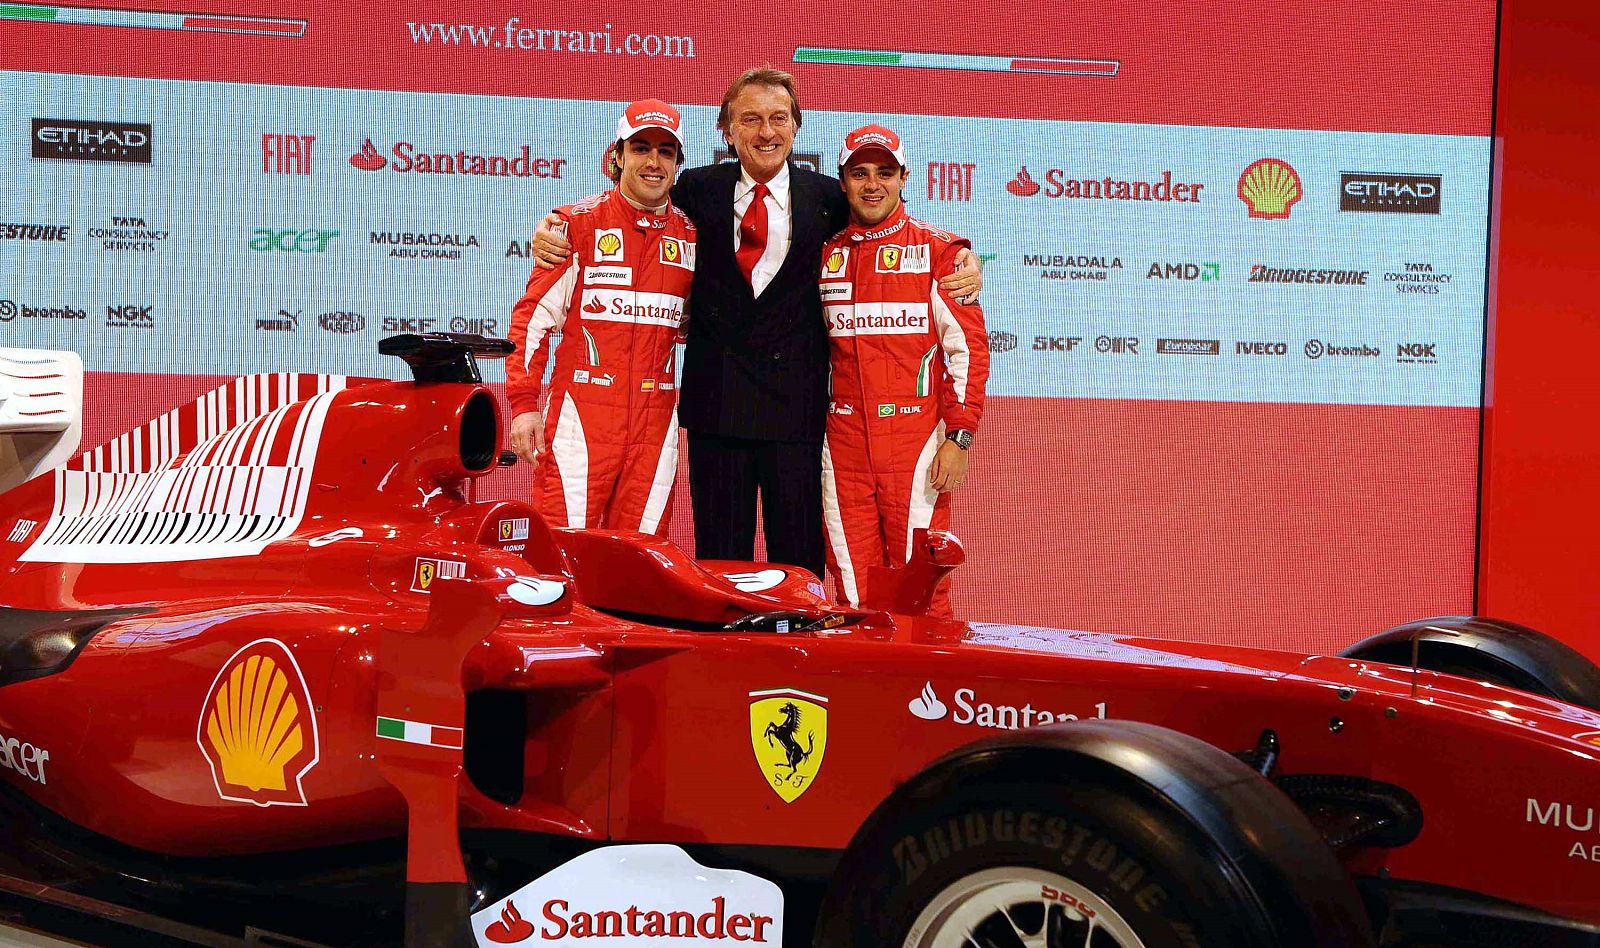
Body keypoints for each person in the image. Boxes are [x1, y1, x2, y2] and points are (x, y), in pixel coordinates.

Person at [530, 68, 982, 579]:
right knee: (721, 568)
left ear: (795, 128)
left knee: (800, 568)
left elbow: (888, 226)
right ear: (728, 130)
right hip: (716, 412)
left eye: (777, 118)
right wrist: (553, 224)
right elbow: (633, 202)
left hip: (799, 416)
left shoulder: (830, 199)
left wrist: (962, 258)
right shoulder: (696, 189)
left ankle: (800, 658)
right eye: (751, 119)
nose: (766, 131)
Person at [818, 125, 989, 617]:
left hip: (914, 440)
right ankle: (861, 691)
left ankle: (925, 693)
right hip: (844, 440)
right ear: (843, 182)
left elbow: (968, 354)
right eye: (860, 173)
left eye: (885, 173)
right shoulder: (825, 253)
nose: (873, 185)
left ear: (904, 178)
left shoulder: (941, 255)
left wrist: (959, 439)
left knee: (922, 585)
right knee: (851, 582)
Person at [505, 99, 696, 535]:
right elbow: (532, 322)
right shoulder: (577, 226)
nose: (653, 161)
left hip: (655, 421)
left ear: (678, 164)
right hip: (581, 416)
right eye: (641, 148)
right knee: (565, 552)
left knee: (641, 561)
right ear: (618, 155)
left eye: (665, 152)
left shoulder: (693, 238)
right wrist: (522, 407)